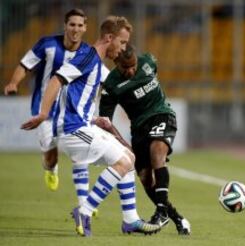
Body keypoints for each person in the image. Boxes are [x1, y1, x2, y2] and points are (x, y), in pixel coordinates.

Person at [21, 16, 161, 237]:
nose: (124, 48)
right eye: (122, 42)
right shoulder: (88, 57)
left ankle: (131, 219)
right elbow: (57, 80)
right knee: (123, 162)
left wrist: (94, 118)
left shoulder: (95, 63)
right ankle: (84, 211)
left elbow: (77, 95)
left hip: (83, 125)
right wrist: (44, 113)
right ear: (109, 38)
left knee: (128, 157)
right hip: (73, 130)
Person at [3, 9, 98, 212]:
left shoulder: (88, 53)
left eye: (80, 25)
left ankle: (85, 203)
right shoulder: (47, 45)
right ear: (65, 26)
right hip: (44, 111)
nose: (76, 29)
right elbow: (24, 64)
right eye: (72, 24)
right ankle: (51, 168)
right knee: (51, 157)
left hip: (72, 113)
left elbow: (102, 77)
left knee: (81, 153)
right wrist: (13, 82)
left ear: (85, 28)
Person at [99, 44, 191, 235]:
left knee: (157, 152)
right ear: (116, 63)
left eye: (134, 65)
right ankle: (175, 217)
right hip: (139, 128)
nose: (131, 70)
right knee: (145, 178)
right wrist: (122, 143)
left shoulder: (149, 61)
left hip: (162, 114)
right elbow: (104, 122)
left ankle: (161, 211)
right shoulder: (111, 85)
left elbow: (151, 68)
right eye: (126, 68)